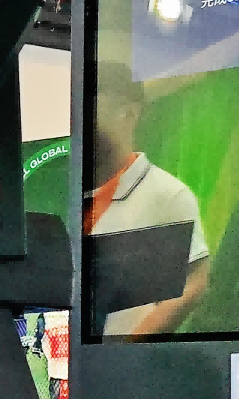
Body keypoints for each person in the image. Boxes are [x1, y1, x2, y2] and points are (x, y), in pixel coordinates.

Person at [84, 63, 209, 338]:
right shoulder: (76, 197)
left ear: (128, 114)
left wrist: (128, 348)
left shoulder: (167, 194)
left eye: (90, 109)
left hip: (122, 362)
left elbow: (194, 283)